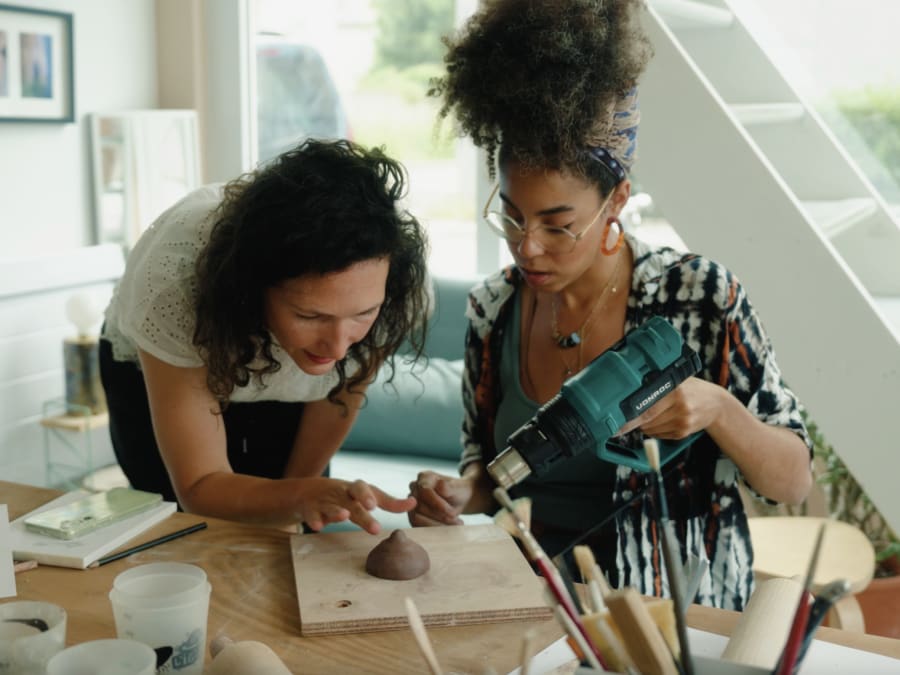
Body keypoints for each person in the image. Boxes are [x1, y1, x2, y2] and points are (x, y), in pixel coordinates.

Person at [407, 0, 813, 610]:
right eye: (512, 216)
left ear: (616, 199)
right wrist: (463, 494)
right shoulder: (493, 308)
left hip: (670, 621)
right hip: (524, 601)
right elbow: (490, 468)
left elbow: (792, 479)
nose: (527, 247)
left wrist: (719, 410)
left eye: (557, 223)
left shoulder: (700, 298)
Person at [100, 138, 429, 533]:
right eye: (310, 314)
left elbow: (340, 394)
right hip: (165, 370)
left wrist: (298, 504)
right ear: (253, 288)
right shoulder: (173, 282)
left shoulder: (394, 287)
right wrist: (295, 499)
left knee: (297, 521)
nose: (339, 346)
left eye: (362, 315)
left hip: (288, 385)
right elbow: (199, 485)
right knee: (187, 533)